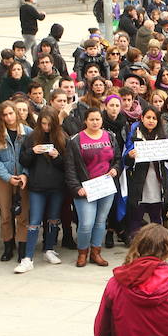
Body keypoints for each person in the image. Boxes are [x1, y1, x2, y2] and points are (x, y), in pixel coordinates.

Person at [65, 107, 121, 267]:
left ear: (101, 120)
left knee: (100, 222)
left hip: (105, 187)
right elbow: (70, 168)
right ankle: (82, 252)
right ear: (85, 121)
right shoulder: (75, 140)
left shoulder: (110, 136)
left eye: (98, 119)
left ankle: (96, 253)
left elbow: (117, 158)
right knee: (86, 223)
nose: (95, 122)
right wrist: (76, 188)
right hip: (85, 189)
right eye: (91, 119)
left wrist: (115, 169)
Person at [15, 106, 65, 273]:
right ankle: (27, 258)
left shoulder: (62, 136)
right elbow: (23, 160)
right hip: (37, 187)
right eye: (43, 123)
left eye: (49, 124)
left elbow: (68, 164)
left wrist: (57, 157)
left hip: (57, 186)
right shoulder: (31, 137)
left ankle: (49, 249)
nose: (46, 127)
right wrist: (32, 152)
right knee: (34, 221)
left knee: (53, 219)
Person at [0, 101, 32, 264]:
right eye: (5, 114)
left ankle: (22, 247)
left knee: (22, 214)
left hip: (23, 178)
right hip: (3, 178)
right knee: (5, 214)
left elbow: (31, 156)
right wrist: (7, 177)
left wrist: (25, 174)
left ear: (16, 113)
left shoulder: (27, 132)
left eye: (11, 113)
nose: (8, 117)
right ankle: (8, 246)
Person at [123, 108, 168, 237]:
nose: (151, 121)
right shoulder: (135, 135)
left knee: (156, 214)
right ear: (142, 118)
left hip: (157, 181)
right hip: (139, 182)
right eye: (148, 117)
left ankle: (158, 241)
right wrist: (129, 156)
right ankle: (136, 242)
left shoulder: (161, 136)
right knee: (137, 215)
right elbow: (126, 161)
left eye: (154, 118)